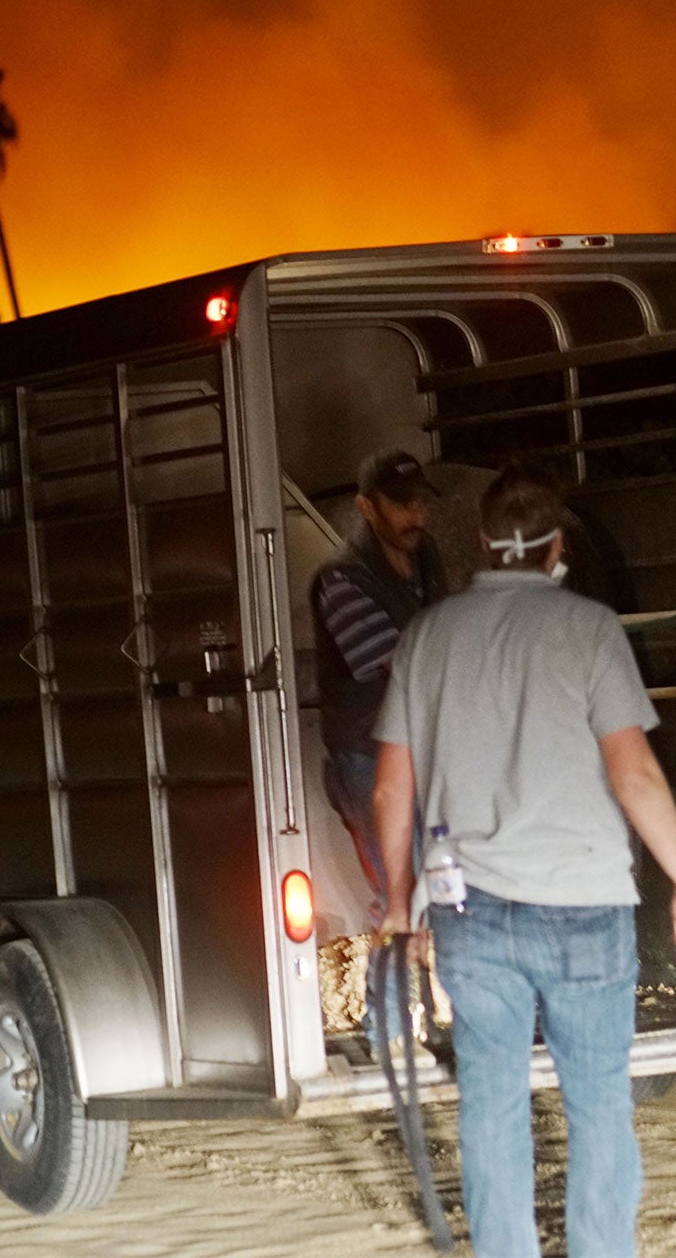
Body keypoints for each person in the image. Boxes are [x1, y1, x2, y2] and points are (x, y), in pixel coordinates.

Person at [372, 461, 676, 1258]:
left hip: (470, 914)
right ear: (557, 546)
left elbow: (393, 792)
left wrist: (398, 908)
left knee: (491, 1106)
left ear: (484, 546)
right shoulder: (590, 628)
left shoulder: (427, 636)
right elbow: (634, 773)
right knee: (598, 1105)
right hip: (583, 909)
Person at [310, 447, 448, 1055]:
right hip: (368, 757)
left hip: (420, 751)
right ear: (368, 508)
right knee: (398, 885)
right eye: (401, 503)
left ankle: (415, 1025)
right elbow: (399, 661)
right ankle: (387, 1031)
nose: (415, 514)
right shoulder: (340, 580)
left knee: (425, 883)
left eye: (420, 501)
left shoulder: (429, 567)